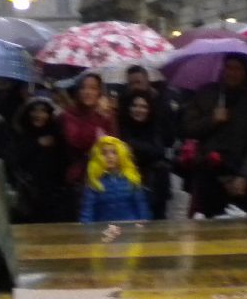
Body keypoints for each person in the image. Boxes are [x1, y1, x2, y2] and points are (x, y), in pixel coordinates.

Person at [179, 53, 247, 218]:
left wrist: (244, 176)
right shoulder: (207, 93)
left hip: (241, 178)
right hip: (209, 176)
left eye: (237, 69)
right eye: (228, 67)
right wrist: (212, 120)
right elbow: (188, 128)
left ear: (245, 71)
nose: (232, 73)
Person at [60, 72, 117, 222]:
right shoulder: (69, 115)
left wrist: (108, 116)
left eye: (93, 88)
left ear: (99, 92)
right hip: (82, 180)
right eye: (83, 88)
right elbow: (78, 142)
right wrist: (96, 117)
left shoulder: (107, 113)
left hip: (107, 177)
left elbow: (115, 142)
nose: (88, 92)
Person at [9, 96, 66, 222]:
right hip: (27, 198)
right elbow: (15, 160)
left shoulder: (57, 136)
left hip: (53, 199)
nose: (38, 115)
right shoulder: (20, 135)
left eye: (43, 111)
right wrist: (36, 144)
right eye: (34, 110)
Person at [118, 89, 171, 220]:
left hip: (153, 182)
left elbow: (158, 151)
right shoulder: (121, 126)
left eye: (143, 106)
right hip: (126, 181)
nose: (138, 110)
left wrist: (132, 145)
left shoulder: (154, 127)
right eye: (135, 105)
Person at [80, 135, 151, 224]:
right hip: (104, 228)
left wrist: (144, 224)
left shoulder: (132, 179)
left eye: (114, 152)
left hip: (131, 226)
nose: (110, 156)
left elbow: (142, 206)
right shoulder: (95, 183)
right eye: (104, 153)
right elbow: (88, 211)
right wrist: (87, 228)